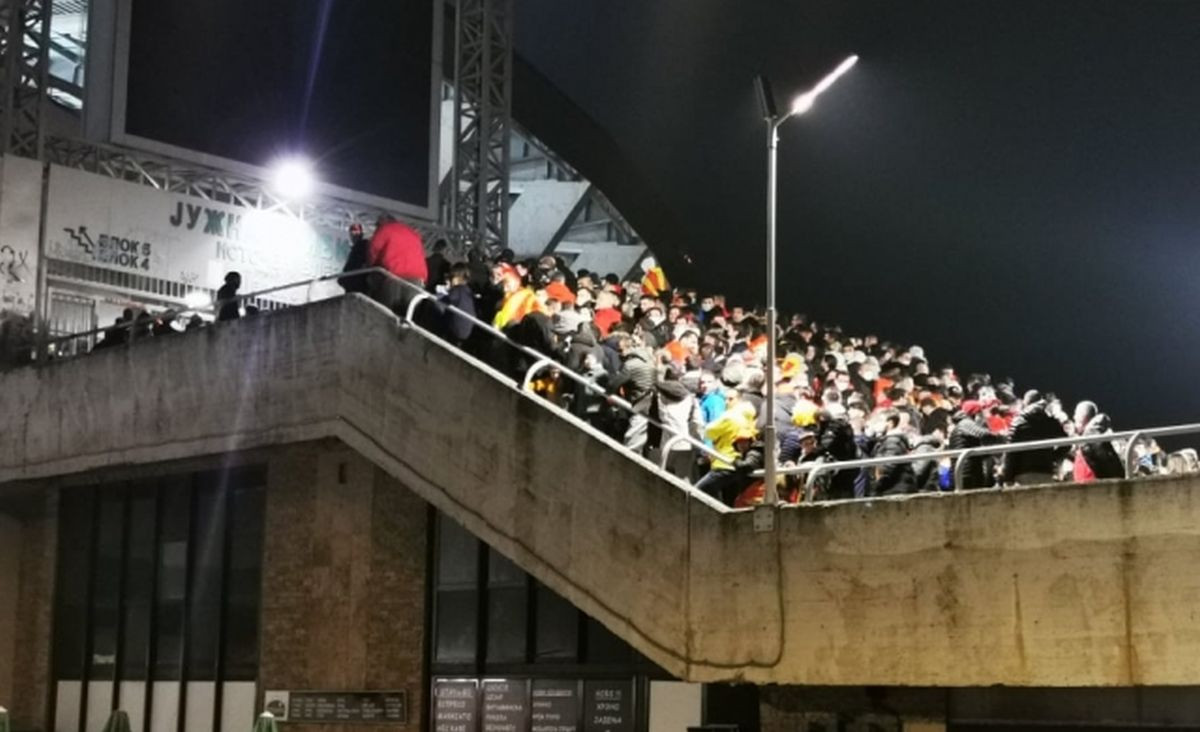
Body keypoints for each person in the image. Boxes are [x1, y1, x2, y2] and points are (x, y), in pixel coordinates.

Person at [1002, 391, 1068, 485]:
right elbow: (1067, 443)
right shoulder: (1050, 421)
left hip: (1023, 472)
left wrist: (1007, 477)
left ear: (1026, 403)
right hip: (1046, 472)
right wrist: (1052, 457)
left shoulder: (1019, 421)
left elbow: (1010, 452)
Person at [366, 214, 427, 312]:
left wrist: (371, 271)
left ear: (382, 223)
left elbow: (373, 251)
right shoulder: (413, 233)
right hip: (417, 280)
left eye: (377, 225)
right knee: (409, 316)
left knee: (386, 314)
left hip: (394, 276)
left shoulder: (384, 229)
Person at [437, 262, 476, 347]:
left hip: (456, 329)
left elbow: (445, 300)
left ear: (456, 278)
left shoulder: (457, 289)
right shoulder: (467, 290)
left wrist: (444, 290)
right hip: (466, 331)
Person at [338, 223, 370, 294]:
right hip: (358, 283)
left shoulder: (359, 247)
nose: (354, 235)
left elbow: (352, 265)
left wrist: (342, 279)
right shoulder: (363, 246)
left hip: (355, 283)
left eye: (356, 233)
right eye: (353, 233)